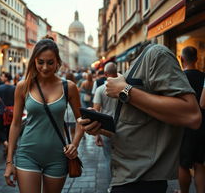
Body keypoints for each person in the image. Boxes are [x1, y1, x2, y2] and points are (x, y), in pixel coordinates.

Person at [78, 44, 201, 193]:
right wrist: (100, 127)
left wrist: (125, 90)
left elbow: (192, 115)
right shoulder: (139, 61)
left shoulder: (157, 54)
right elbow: (138, 123)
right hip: (126, 175)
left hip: (142, 179)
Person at [4, 37, 84, 193]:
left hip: (57, 156)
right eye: (40, 62)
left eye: (50, 62)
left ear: (58, 62)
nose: (45, 67)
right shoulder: (23, 86)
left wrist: (75, 144)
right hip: (27, 154)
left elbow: (81, 120)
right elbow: (15, 124)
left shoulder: (69, 87)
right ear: (34, 61)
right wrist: (8, 162)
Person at [177, 46, 205, 193]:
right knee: (199, 164)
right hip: (202, 125)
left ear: (182, 59)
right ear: (197, 59)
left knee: (183, 165)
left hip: (185, 127)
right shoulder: (203, 77)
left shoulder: (180, 78)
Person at [93, 62, 118, 191]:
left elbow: (95, 112)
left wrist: (97, 134)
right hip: (123, 126)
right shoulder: (123, 87)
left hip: (107, 128)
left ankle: (111, 187)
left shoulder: (100, 89)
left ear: (106, 74)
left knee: (109, 159)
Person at [0, 72, 16, 156]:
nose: (1, 77)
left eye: (2, 76)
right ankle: (9, 147)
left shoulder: (0, 88)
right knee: (9, 130)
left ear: (6, 78)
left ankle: (6, 143)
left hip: (2, 112)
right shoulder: (15, 88)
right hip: (12, 112)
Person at [64, 72, 77, 141]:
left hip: (64, 112)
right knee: (73, 132)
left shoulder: (62, 87)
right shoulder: (75, 86)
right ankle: (73, 146)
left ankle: (64, 146)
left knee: (64, 132)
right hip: (73, 113)